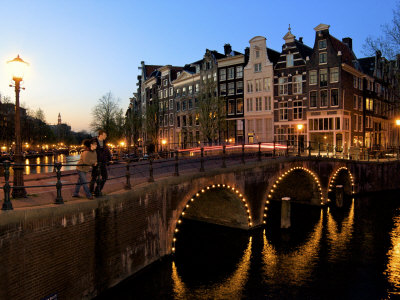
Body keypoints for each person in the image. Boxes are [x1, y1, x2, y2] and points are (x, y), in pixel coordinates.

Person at [90, 129, 112, 196]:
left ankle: (97, 190)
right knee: (94, 177)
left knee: (105, 177)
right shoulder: (94, 141)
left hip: (103, 162)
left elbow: (107, 151)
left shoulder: (105, 142)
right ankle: (90, 191)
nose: (106, 136)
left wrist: (110, 159)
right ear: (101, 135)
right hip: (96, 162)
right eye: (105, 135)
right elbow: (91, 151)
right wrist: (93, 161)